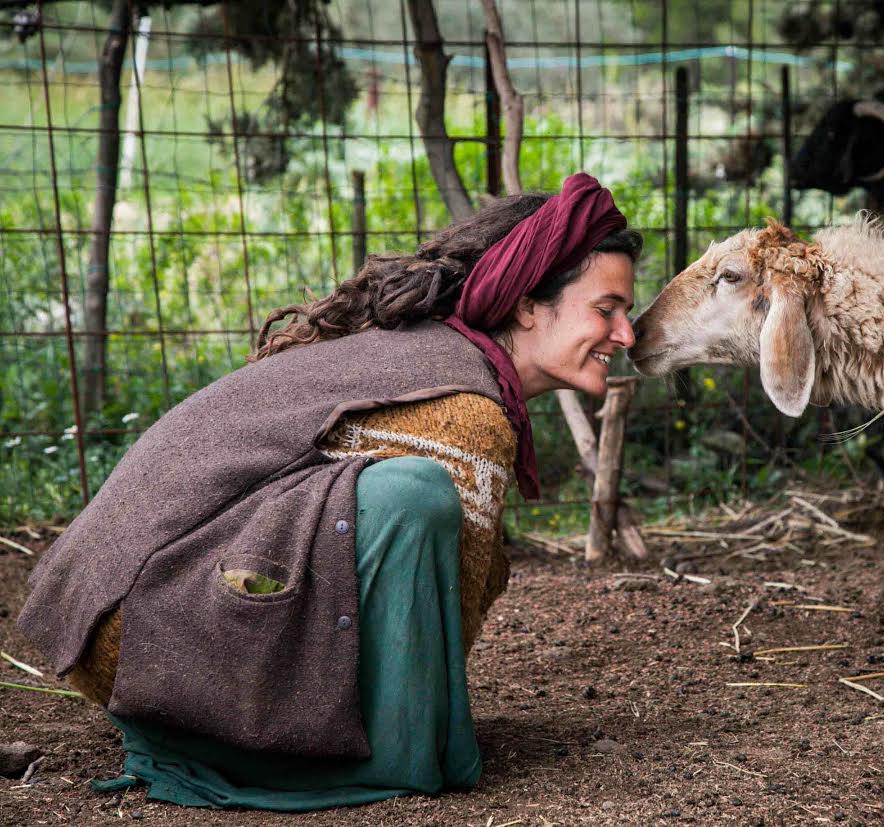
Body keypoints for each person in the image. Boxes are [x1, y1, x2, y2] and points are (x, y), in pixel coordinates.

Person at [16, 173, 640, 810]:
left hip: (119, 628)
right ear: (527, 304)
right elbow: (447, 620)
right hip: (149, 640)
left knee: (395, 500)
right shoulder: (465, 405)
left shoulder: (422, 355)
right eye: (606, 309)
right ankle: (373, 761)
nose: (626, 336)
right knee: (413, 497)